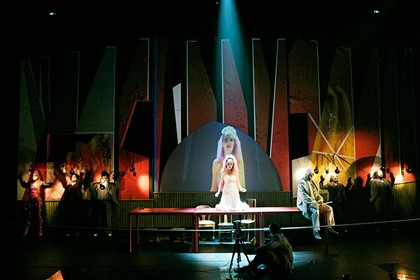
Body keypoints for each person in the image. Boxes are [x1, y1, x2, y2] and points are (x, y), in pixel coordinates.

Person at [297, 168, 338, 240]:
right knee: (315, 210)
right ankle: (315, 231)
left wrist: (320, 199)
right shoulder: (302, 182)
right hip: (305, 203)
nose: (310, 176)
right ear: (306, 174)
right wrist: (313, 201)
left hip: (315, 203)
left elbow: (317, 194)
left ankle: (329, 227)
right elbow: (303, 196)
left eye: (312, 175)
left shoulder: (314, 183)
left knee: (329, 208)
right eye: (309, 175)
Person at [18, 169, 54, 237]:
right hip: (31, 201)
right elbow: (24, 185)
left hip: (38, 201)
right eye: (33, 175)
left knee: (40, 216)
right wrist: (20, 178)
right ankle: (26, 230)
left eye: (35, 175)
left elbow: (49, 184)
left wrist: (54, 178)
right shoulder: (30, 183)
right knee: (29, 216)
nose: (33, 176)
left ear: (38, 176)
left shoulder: (40, 183)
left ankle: (40, 231)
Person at [210, 126, 245, 192]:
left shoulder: (239, 163)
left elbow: (242, 188)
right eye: (226, 140)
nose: (228, 143)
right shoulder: (216, 164)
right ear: (222, 143)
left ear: (234, 143)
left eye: (231, 140)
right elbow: (213, 189)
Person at [89, 170, 120, 237]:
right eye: (102, 178)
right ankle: (98, 231)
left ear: (108, 179)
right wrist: (91, 180)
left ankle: (108, 231)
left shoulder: (111, 186)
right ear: (101, 178)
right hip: (99, 203)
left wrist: (116, 179)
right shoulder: (97, 185)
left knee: (108, 217)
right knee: (98, 217)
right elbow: (91, 188)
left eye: (105, 178)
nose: (104, 179)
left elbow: (117, 187)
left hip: (107, 202)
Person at [56, 165, 85, 237]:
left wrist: (81, 172)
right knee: (69, 218)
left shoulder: (78, 185)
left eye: (75, 177)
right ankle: (69, 231)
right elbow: (65, 180)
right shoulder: (68, 186)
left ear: (77, 178)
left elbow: (81, 180)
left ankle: (77, 231)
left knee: (76, 218)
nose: (73, 177)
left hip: (76, 204)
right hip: (69, 204)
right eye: (72, 177)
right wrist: (64, 172)